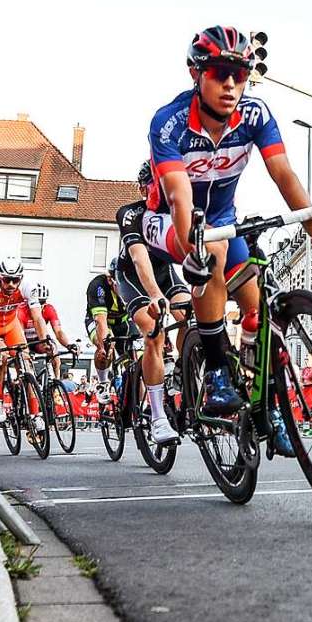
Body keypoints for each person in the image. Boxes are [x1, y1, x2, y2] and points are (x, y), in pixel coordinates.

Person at [143, 25, 312, 455]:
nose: (229, 84)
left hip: (223, 218)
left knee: (259, 312)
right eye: (220, 72)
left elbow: (284, 175)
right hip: (166, 219)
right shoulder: (168, 124)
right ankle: (218, 372)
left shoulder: (255, 116)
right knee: (213, 251)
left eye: (239, 75)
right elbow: (180, 197)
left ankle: (267, 408)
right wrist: (192, 248)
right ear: (196, 74)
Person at [113, 161, 190, 444]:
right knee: (153, 330)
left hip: (165, 272)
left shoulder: (178, 209)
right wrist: (156, 295)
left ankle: (184, 367)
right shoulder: (131, 213)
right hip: (134, 276)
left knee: (189, 315)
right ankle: (157, 416)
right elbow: (139, 258)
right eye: (152, 184)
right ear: (142, 187)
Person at [0, 256, 48, 434]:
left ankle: (35, 414)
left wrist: (45, 339)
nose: (10, 284)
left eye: (15, 280)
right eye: (6, 280)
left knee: (27, 365)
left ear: (21, 279)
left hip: (11, 326)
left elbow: (37, 317)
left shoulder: (28, 288)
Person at [86, 259, 130, 403]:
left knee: (136, 359)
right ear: (110, 279)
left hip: (123, 322)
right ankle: (103, 382)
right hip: (99, 321)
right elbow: (100, 320)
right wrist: (104, 344)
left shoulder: (134, 283)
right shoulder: (98, 286)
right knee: (106, 347)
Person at [17, 281, 78, 382]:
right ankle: (24, 382)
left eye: (42, 302)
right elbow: (19, 335)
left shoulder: (48, 309)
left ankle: (56, 382)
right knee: (23, 358)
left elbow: (58, 332)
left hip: (39, 340)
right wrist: (26, 351)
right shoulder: (22, 310)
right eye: (37, 302)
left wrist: (68, 345)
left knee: (53, 349)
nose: (40, 306)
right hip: (24, 340)